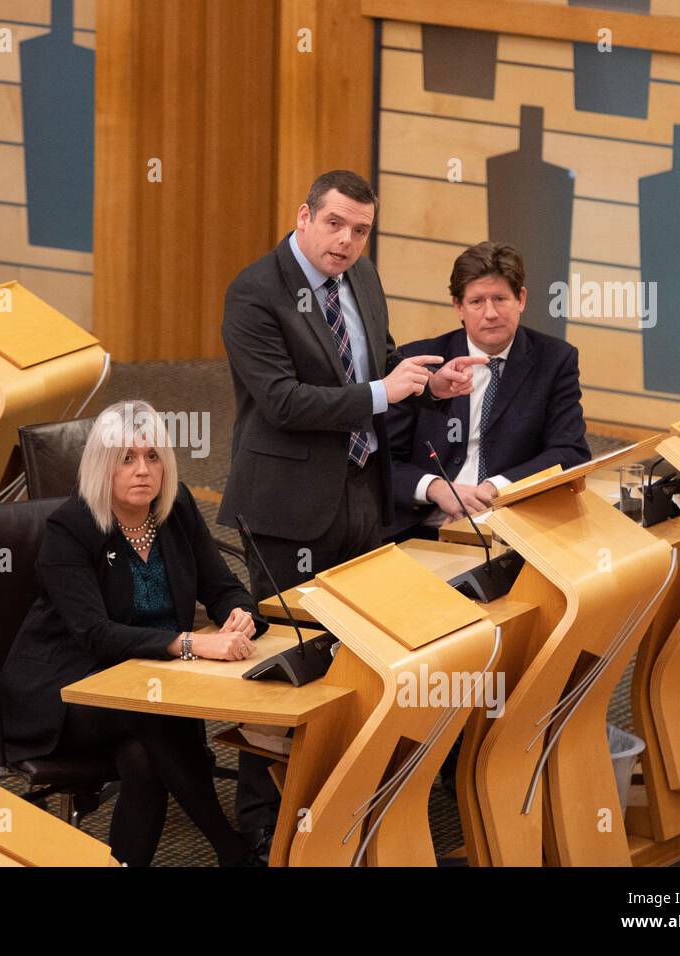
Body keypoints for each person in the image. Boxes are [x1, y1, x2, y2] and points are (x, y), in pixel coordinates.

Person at [218, 169, 487, 850]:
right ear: (304, 215)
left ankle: (340, 799)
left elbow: (380, 365)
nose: (345, 241)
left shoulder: (363, 280)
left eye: (360, 230)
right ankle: (260, 825)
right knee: (288, 666)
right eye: (334, 224)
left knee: (358, 655)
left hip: (363, 498)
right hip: (288, 509)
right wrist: (382, 391)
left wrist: (430, 387)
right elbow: (281, 401)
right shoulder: (254, 292)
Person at [0, 400, 269, 866]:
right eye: (127, 458)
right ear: (103, 466)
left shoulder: (175, 507)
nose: (143, 470)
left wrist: (239, 614)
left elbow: (222, 586)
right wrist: (189, 643)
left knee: (142, 761)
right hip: (67, 687)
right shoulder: (71, 528)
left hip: (146, 684)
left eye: (153, 456)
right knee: (150, 715)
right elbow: (94, 635)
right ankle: (231, 848)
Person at [385, 241, 591, 540]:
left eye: (500, 298)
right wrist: (437, 488)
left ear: (521, 298)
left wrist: (497, 487)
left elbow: (570, 452)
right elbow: (383, 462)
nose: (491, 313)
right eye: (477, 301)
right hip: (421, 529)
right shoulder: (419, 362)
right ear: (458, 306)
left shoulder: (555, 360)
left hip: (512, 527)